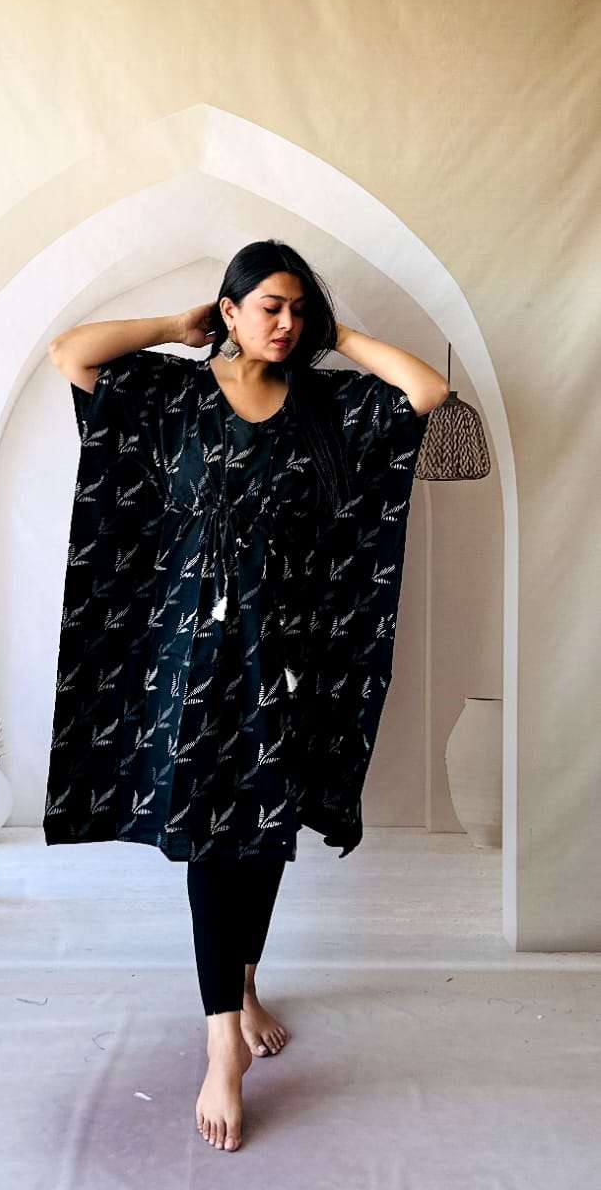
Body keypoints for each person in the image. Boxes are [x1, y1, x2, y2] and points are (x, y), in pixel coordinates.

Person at [44, 239, 449, 1153]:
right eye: (269, 306)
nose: (286, 323)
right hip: (190, 655)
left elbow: (425, 393)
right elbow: (71, 352)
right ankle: (220, 1039)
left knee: (263, 824)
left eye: (298, 309)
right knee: (209, 832)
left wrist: (334, 336)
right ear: (227, 310)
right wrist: (172, 326)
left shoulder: (323, 404)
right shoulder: (172, 396)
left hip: (288, 653)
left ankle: (244, 981)